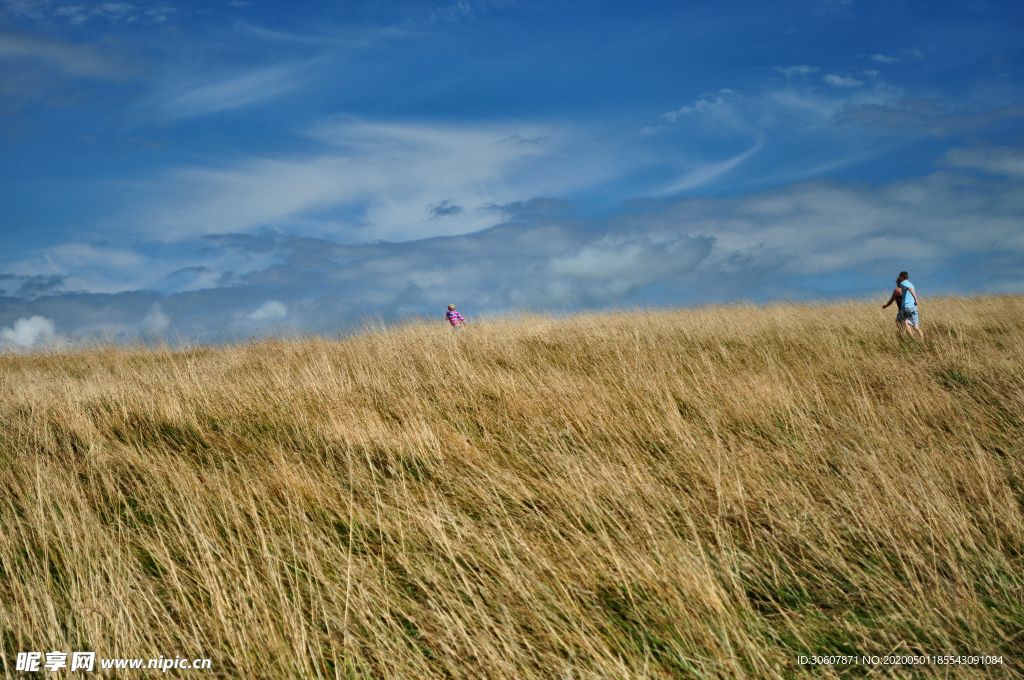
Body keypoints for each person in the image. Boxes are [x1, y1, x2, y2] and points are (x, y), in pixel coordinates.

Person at [883, 271, 923, 339]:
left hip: (906, 307)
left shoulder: (902, 284)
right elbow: (910, 289)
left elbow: (909, 289)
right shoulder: (911, 284)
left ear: (901, 277)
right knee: (916, 327)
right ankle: (922, 341)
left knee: (900, 321)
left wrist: (916, 298)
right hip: (914, 307)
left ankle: (911, 338)